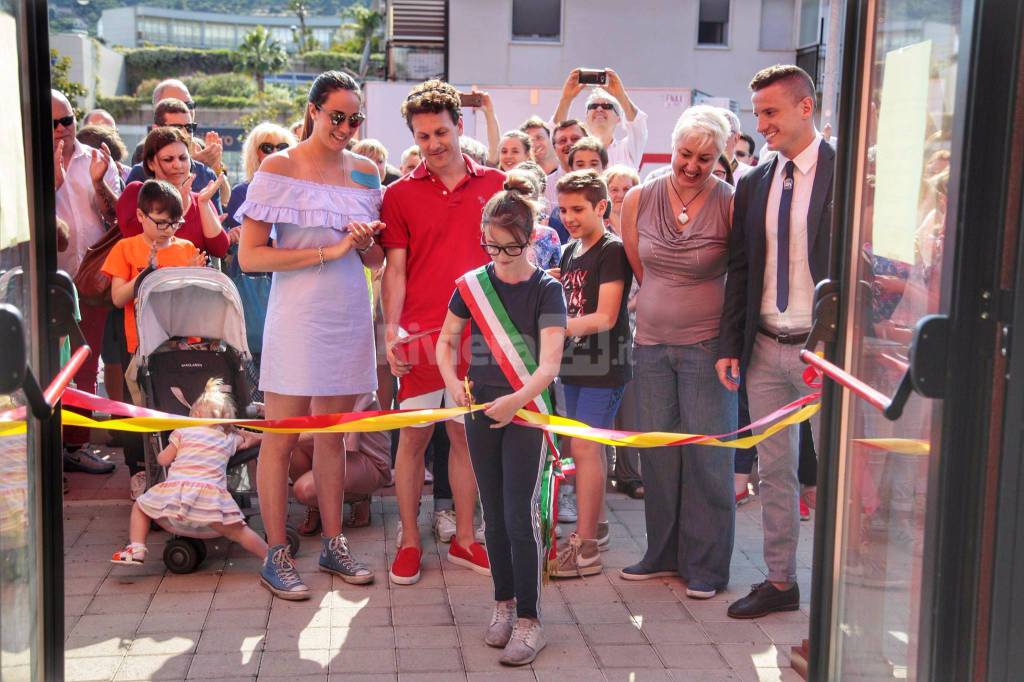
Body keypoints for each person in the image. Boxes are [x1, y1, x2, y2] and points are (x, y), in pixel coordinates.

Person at [237, 70, 385, 599]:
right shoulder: (279, 166)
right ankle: (276, 553)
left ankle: (332, 541)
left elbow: (377, 257)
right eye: (337, 116)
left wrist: (364, 244)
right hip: (297, 318)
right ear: (314, 110)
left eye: (355, 118)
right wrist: (328, 251)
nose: (346, 127)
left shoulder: (367, 172)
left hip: (347, 313)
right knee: (279, 438)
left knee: (333, 437)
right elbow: (250, 256)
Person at [715, 64, 835, 618]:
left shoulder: (848, 172)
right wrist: (729, 345)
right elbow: (740, 269)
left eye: (770, 112)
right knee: (773, 471)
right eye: (757, 113)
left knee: (833, 474)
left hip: (825, 352)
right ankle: (781, 583)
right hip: (763, 347)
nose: (760, 124)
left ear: (805, 108)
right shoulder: (755, 180)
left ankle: (839, 594)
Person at [437, 176, 567, 666]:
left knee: (519, 515)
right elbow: (446, 342)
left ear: (530, 238)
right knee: (492, 514)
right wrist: (451, 379)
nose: (497, 255)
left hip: (525, 409)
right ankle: (502, 605)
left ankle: (531, 620)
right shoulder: (473, 285)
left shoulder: (546, 289)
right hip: (479, 408)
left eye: (508, 247)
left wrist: (516, 401)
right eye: (489, 244)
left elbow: (550, 364)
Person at [380, 79, 503, 585]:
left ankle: (466, 540)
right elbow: (395, 270)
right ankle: (410, 542)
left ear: (459, 126)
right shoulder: (399, 194)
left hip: (479, 335)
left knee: (464, 438)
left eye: (441, 132)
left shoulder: (496, 185)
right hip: (421, 336)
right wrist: (391, 332)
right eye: (423, 135)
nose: (433, 143)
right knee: (412, 440)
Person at [619, 105, 737, 599]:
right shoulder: (639, 197)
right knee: (659, 454)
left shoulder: (731, 201)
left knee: (708, 457)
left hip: (708, 347)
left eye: (705, 159)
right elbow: (636, 262)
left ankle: (706, 566)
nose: (692, 165)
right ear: (671, 147)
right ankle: (661, 553)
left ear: (720, 158)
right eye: (685, 154)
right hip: (650, 345)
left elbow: (741, 271)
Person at [550, 170, 632, 579]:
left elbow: (606, 316)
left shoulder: (611, 251)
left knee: (585, 449)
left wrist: (554, 324)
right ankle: (593, 530)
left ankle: (584, 549)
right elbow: (567, 291)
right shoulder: (569, 251)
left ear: (602, 207)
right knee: (586, 449)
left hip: (605, 364)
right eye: (563, 209)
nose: (569, 217)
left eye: (578, 209)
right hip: (574, 364)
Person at [111, 379, 266, 565]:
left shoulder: (183, 432)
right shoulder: (228, 438)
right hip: (210, 498)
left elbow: (163, 460)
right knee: (238, 532)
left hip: (177, 494)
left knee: (140, 508)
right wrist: (252, 435)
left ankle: (136, 550)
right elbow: (247, 440)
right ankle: (269, 556)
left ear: (196, 414)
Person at [52, 89, 121, 475]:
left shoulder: (96, 158)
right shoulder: (24, 162)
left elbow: (117, 215)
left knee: (85, 364)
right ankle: (51, 449)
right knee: (49, 369)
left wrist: (98, 183)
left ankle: (76, 445)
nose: (62, 130)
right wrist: (55, 178)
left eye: (68, 120)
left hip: (91, 281)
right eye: (53, 123)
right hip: (49, 283)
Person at [102, 179, 208, 354]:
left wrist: (191, 274)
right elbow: (118, 299)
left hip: (186, 341)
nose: (168, 230)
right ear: (140, 215)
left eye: (175, 223)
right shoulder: (125, 248)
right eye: (161, 223)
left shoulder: (187, 248)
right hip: (144, 344)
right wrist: (147, 273)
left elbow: (198, 301)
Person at [116, 127, 230, 259]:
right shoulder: (135, 193)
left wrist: (204, 205)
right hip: (146, 277)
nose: (178, 165)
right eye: (168, 159)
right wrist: (176, 207)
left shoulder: (201, 200)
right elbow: (134, 238)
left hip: (192, 278)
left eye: (183, 158)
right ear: (151, 164)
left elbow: (220, 250)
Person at [289, 393, 393, 533]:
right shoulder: (308, 380)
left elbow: (336, 436)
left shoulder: (352, 380)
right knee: (293, 448)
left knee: (304, 490)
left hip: (369, 460)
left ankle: (361, 497)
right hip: (330, 449)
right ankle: (316, 506)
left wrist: (266, 439)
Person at [126, 97, 225, 211]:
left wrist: (217, 168)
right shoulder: (140, 173)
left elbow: (219, 221)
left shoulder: (206, 174)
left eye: (189, 127)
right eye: (176, 128)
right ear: (156, 129)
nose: (184, 133)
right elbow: (131, 223)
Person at [553, 69, 648, 170]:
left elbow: (637, 124)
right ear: (586, 117)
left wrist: (621, 96)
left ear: (619, 118)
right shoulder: (575, 150)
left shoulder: (628, 149)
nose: (599, 109)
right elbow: (555, 134)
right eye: (593, 106)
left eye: (606, 106)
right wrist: (566, 99)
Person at [507, 163, 561, 270]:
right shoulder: (496, 231)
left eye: (525, 191)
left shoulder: (549, 235)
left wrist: (545, 277)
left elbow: (558, 274)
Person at [545, 120, 588, 243]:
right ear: (554, 148)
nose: (569, 144)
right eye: (562, 141)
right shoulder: (544, 187)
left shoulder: (604, 183)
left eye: (575, 139)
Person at [604, 165, 640, 237]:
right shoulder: (598, 226)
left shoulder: (644, 225)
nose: (621, 195)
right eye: (614, 190)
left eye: (626, 189)